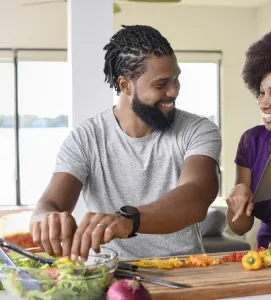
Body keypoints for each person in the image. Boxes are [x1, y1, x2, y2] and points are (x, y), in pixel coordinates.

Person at [29, 25, 221, 260]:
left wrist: (129, 220)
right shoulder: (85, 139)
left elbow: (196, 197)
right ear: (125, 85)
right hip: (112, 273)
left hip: (187, 270)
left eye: (176, 80)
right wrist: (44, 217)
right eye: (161, 84)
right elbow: (49, 204)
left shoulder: (197, 130)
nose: (173, 91)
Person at [227, 27, 271, 254]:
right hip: (266, 261)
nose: (263, 103)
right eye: (261, 92)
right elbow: (239, 228)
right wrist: (238, 194)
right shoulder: (253, 141)